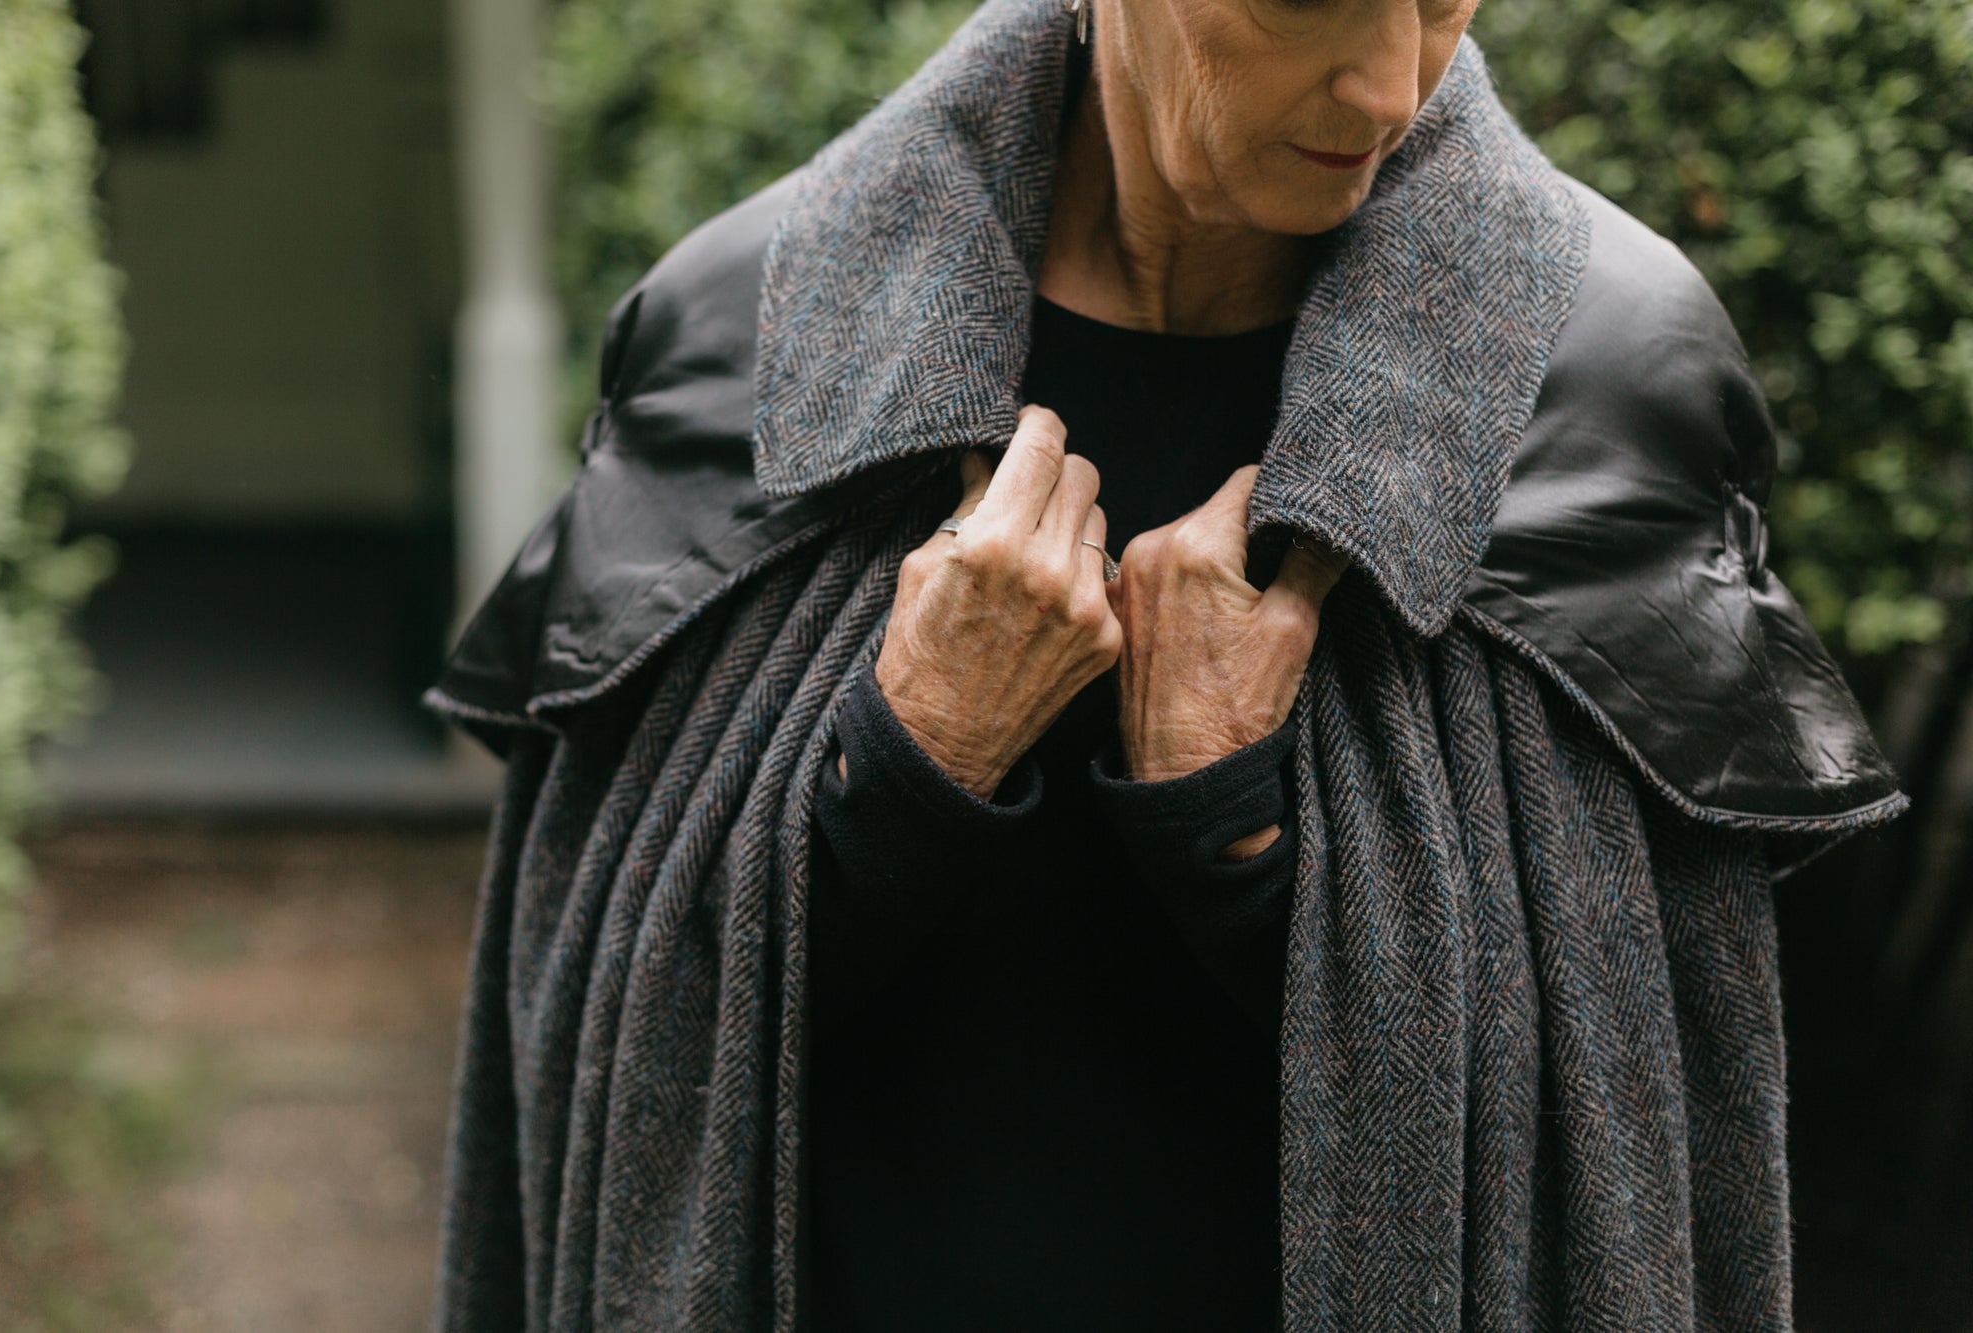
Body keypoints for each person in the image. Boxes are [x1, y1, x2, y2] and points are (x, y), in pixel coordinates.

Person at [427, 0, 1906, 1329]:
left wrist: (1235, 826)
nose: (1390, 83)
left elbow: (1628, 1125)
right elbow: (597, 1035)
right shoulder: (738, 328)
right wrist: (901, 761)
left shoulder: (1605, 377)